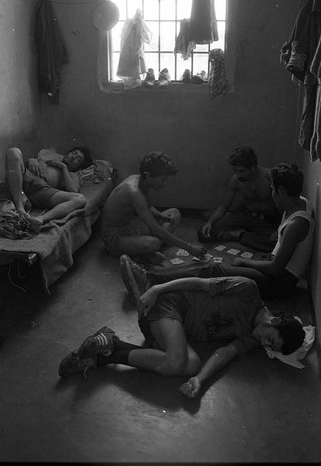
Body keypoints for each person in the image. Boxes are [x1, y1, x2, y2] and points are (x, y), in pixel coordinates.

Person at [58, 271, 305, 400]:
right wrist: (157, 288)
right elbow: (200, 283)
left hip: (169, 329)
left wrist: (200, 379)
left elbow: (225, 352)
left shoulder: (253, 335)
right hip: (169, 304)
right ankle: (109, 348)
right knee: (176, 362)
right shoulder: (247, 290)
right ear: (274, 321)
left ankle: (105, 350)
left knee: (193, 365)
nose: (264, 344)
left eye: (269, 346)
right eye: (270, 339)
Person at [122, 163, 315, 301]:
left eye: (273, 189)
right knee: (215, 272)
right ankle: (159, 281)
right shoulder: (301, 202)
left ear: (281, 190)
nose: (271, 194)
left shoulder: (296, 224)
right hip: (276, 272)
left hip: (279, 284)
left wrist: (245, 261)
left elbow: (274, 269)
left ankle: (150, 279)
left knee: (212, 270)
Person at [101, 151, 206, 263]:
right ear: (148, 175)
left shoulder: (140, 180)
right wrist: (189, 247)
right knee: (154, 243)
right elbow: (156, 230)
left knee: (175, 213)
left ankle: (142, 251)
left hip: (132, 226)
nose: (165, 183)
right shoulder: (133, 192)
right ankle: (144, 252)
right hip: (114, 238)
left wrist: (160, 216)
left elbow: (146, 206)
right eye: (163, 179)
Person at [199, 146, 280, 251]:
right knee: (203, 233)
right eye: (235, 171)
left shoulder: (269, 177)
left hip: (266, 221)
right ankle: (243, 233)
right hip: (245, 214)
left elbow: (286, 206)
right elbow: (224, 206)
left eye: (242, 171)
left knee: (276, 243)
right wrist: (209, 223)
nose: (238, 175)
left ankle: (239, 235)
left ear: (253, 167)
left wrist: (279, 228)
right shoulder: (236, 180)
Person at [5, 146, 92, 233]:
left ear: (78, 166)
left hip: (43, 191)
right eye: (74, 153)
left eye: (78, 159)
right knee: (13, 151)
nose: (73, 157)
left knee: (80, 199)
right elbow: (18, 165)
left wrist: (64, 167)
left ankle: (40, 219)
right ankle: (20, 207)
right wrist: (31, 161)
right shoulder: (48, 160)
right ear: (67, 153)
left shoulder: (72, 175)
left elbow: (73, 190)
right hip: (26, 179)